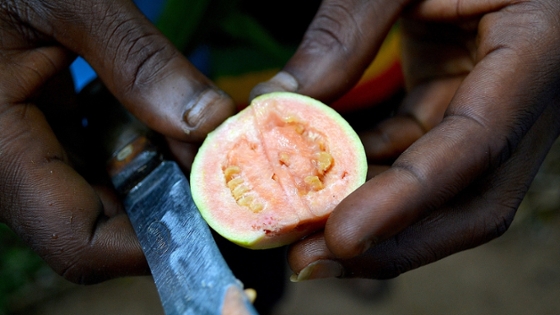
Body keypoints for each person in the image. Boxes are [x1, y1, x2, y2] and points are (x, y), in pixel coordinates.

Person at [0, 0, 558, 299]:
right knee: (246, 262)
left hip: (396, 45)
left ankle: (331, 276)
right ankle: (260, 292)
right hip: (135, 45)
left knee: (382, 168)